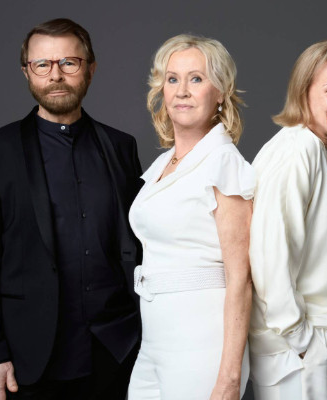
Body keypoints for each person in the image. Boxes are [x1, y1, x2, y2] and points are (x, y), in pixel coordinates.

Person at [0, 18, 143, 400]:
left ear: (90, 69)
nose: (55, 75)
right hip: (29, 357)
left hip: (117, 352)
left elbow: (139, 244)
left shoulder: (121, 146)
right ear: (27, 72)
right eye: (42, 64)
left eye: (68, 63)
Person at [126, 34, 253, 400]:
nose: (182, 91)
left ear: (221, 92)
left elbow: (241, 278)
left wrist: (229, 378)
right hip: (154, 343)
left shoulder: (223, 163)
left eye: (196, 79)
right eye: (172, 79)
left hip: (202, 346)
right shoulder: (162, 165)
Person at [248, 41, 327, 399]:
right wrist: (305, 342)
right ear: (304, 92)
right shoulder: (296, 150)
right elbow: (269, 255)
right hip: (295, 350)